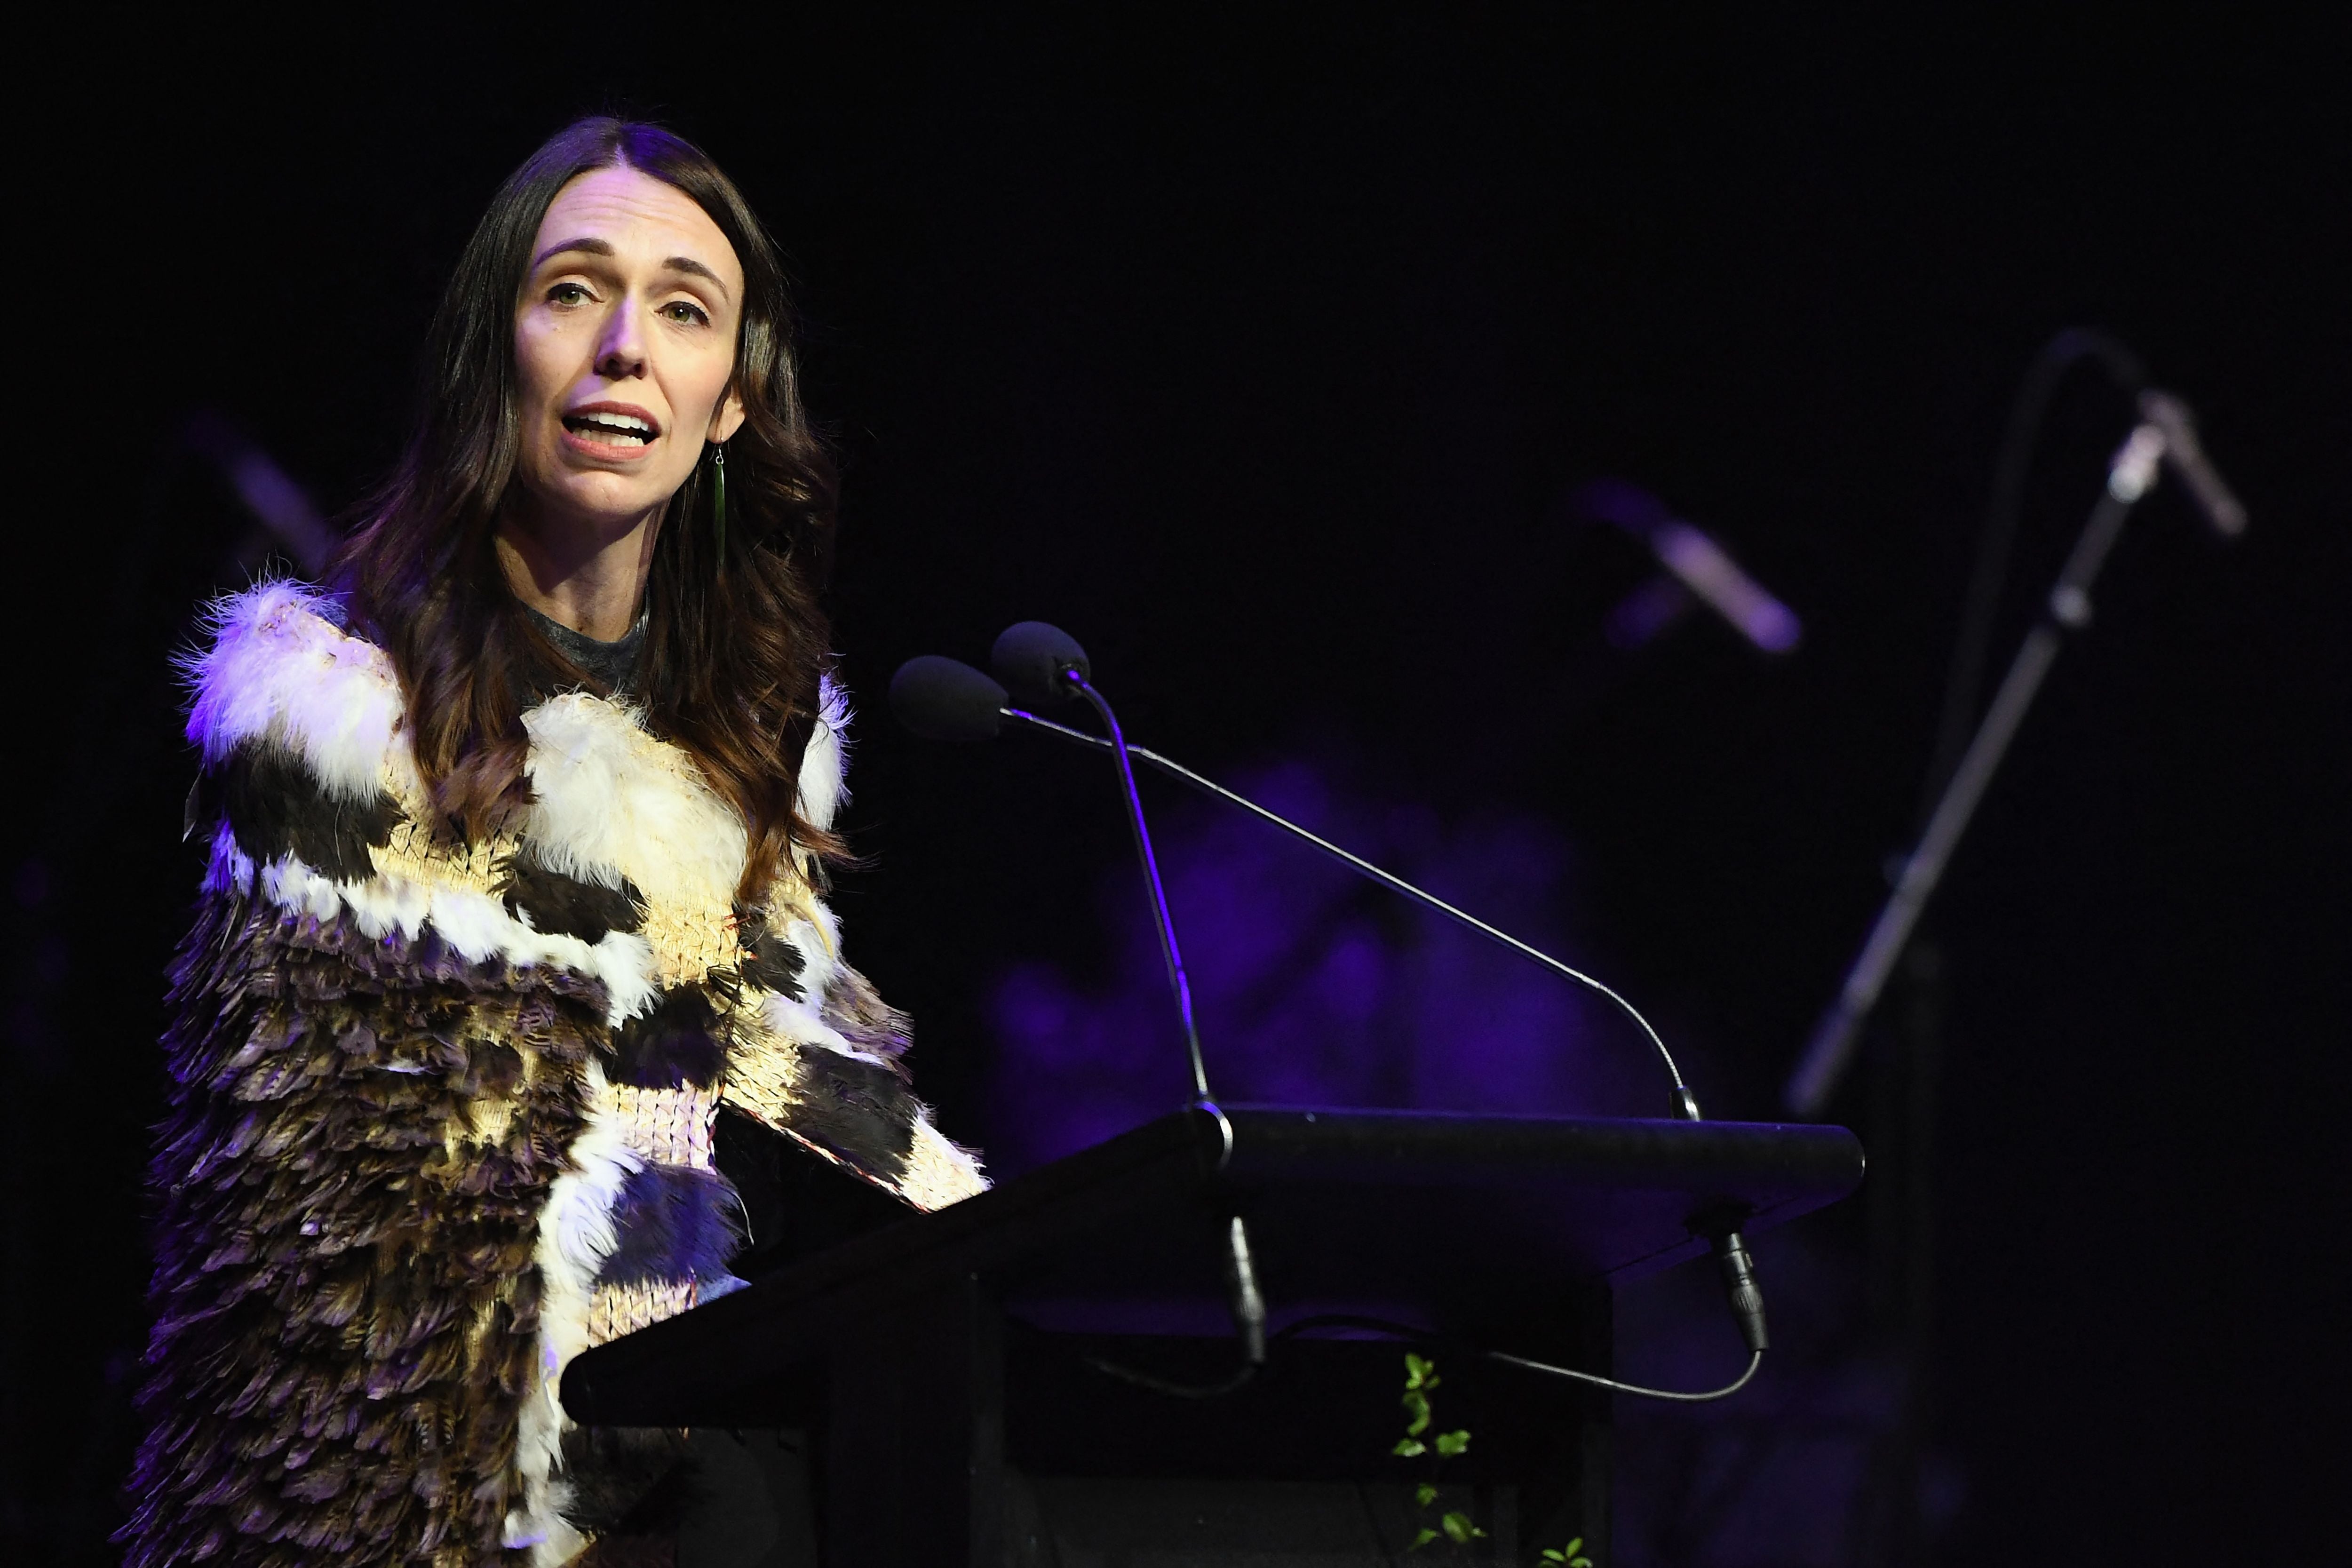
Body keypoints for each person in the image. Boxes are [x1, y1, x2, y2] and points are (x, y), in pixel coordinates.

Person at [119, 116, 985, 1567]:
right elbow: (353, 1247)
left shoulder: (749, 771)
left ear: (726, 405)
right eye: (574, 290)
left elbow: (763, 1056)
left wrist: (1000, 1234)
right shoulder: (332, 728)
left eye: (685, 309)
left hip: (715, 1475)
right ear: (492, 352)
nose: (625, 346)